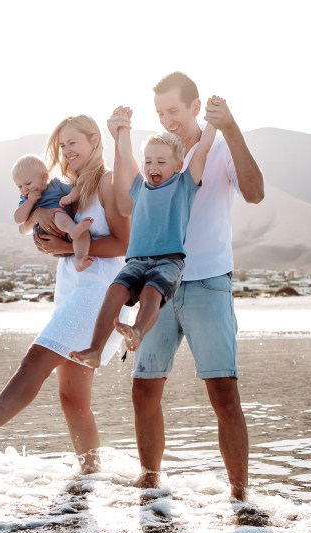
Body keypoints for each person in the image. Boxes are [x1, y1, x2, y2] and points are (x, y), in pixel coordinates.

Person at [0, 115, 130, 473]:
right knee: (72, 398)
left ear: (95, 141)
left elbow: (124, 243)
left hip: (101, 289)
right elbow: (46, 230)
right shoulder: (68, 186)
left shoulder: (108, 181)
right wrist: (49, 241)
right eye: (61, 145)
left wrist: (62, 248)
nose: (66, 150)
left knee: (34, 361)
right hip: (74, 287)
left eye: (73, 142)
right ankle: (91, 476)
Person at [129, 72, 264, 499]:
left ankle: (240, 496)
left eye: (174, 110)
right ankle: (150, 486)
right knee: (144, 387)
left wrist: (231, 127)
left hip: (208, 283)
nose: (168, 120)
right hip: (157, 288)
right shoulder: (156, 158)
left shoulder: (220, 148)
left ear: (194, 106)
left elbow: (256, 193)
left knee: (224, 393)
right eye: (160, 113)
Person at [69, 106, 216, 368]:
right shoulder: (139, 185)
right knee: (114, 292)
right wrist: (123, 127)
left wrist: (214, 124)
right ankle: (95, 349)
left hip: (168, 261)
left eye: (161, 162)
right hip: (136, 261)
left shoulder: (184, 185)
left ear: (178, 165)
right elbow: (125, 154)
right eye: (148, 161)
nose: (152, 167)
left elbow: (202, 150)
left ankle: (137, 330)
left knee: (151, 293)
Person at [12, 154, 94, 272]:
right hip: (46, 234)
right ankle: (73, 229)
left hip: (66, 234)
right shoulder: (25, 198)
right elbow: (18, 219)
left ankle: (80, 260)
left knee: (84, 232)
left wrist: (70, 197)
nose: (25, 189)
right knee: (56, 214)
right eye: (20, 186)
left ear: (44, 178)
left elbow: (76, 190)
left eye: (28, 183)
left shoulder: (56, 185)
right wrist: (30, 202)